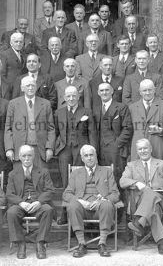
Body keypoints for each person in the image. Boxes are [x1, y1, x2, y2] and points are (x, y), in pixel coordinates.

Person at [120, 138, 163, 256]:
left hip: (161, 202)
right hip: (139, 204)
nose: (143, 151)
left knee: (150, 195)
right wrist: (136, 183)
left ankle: (138, 223)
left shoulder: (162, 164)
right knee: (152, 210)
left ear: (151, 149)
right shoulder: (131, 165)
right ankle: (160, 242)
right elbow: (123, 181)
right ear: (137, 151)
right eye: (140, 149)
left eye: (145, 148)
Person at [63, 145, 120, 258]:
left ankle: (102, 243)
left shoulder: (106, 171)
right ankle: (81, 244)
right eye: (86, 155)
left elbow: (115, 193)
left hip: (100, 208)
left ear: (96, 156)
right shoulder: (76, 173)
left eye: (91, 155)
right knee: (72, 205)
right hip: (82, 208)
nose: (89, 158)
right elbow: (66, 194)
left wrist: (103, 200)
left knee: (107, 204)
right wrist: (80, 201)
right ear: (82, 158)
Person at [54, 86, 97, 224]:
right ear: (64, 98)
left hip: (81, 149)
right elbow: (54, 132)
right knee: (66, 181)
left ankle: (79, 213)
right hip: (64, 150)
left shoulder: (86, 112)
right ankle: (65, 213)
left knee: (80, 181)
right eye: (68, 96)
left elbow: (92, 133)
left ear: (78, 97)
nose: (71, 98)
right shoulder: (59, 113)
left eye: (74, 96)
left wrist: (92, 150)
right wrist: (55, 147)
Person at [6, 145, 55, 260]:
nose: (27, 158)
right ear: (19, 157)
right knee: (11, 213)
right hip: (21, 204)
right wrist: (20, 203)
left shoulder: (43, 171)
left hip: (38, 203)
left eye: (29, 155)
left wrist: (39, 202)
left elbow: (50, 190)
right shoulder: (13, 174)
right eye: (24, 156)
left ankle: (40, 242)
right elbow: (9, 194)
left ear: (34, 156)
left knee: (48, 210)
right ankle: (21, 243)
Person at [94, 83, 133, 221]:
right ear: (98, 92)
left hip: (116, 151)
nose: (104, 92)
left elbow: (127, 129)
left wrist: (116, 145)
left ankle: (121, 215)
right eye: (101, 90)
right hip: (100, 151)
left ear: (112, 92)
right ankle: (105, 214)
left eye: (107, 90)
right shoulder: (96, 109)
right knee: (103, 181)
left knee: (117, 179)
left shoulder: (121, 107)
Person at [5, 76, 56, 169]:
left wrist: (49, 148)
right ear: (22, 88)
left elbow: (51, 128)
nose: (30, 88)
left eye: (33, 85)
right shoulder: (13, 104)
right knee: (20, 179)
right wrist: (9, 148)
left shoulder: (45, 104)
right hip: (20, 148)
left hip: (39, 149)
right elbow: (8, 128)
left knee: (40, 179)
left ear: (36, 87)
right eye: (27, 85)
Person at [129, 79, 163, 160]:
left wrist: (160, 129)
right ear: (140, 92)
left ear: (154, 90)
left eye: (150, 90)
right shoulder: (132, 108)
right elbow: (128, 129)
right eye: (144, 90)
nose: (147, 93)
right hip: (138, 148)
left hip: (157, 145)